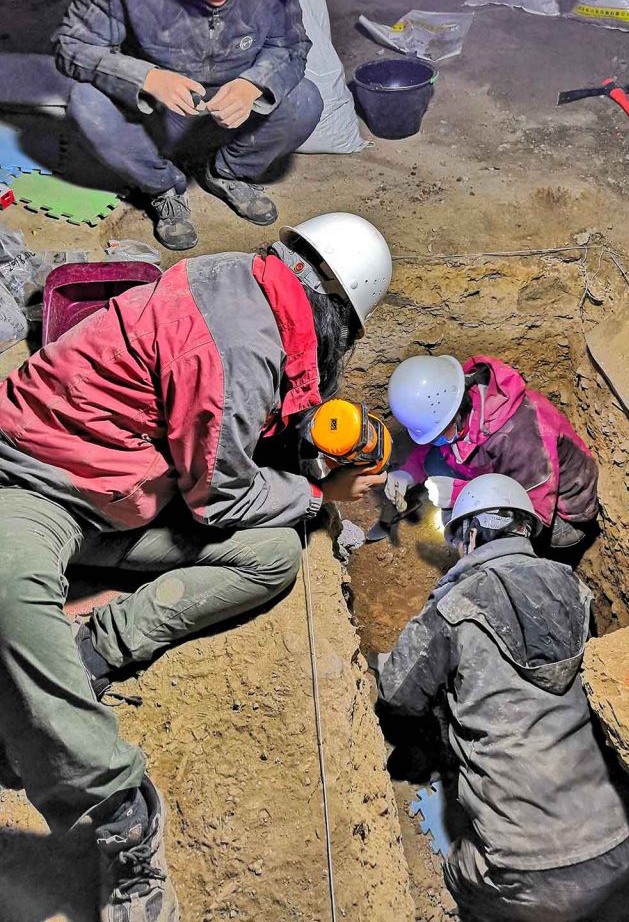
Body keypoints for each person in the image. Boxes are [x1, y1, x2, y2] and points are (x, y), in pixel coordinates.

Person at [0, 212, 391, 921]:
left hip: (130, 489)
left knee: (273, 555)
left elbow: (241, 417)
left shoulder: (255, 282)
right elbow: (221, 496)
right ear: (334, 309)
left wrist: (304, 431)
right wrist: (318, 493)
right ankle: (124, 811)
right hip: (41, 480)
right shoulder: (240, 341)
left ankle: (98, 646)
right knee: (10, 600)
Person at [374, 474, 629, 922]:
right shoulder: (577, 591)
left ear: (472, 532)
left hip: (522, 872)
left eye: (458, 537)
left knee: (456, 878)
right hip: (615, 849)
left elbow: (397, 692)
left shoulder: (454, 606)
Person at [54, 0, 324, 250]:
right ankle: (161, 186)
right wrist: (146, 78)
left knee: (305, 101)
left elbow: (291, 46)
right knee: (86, 106)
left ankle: (227, 171)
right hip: (161, 116)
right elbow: (71, 45)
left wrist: (253, 86)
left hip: (235, 116)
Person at [385, 354, 598, 548]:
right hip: (515, 475)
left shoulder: (520, 436)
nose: (437, 440)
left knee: (489, 539)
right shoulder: (458, 401)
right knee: (435, 462)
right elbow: (436, 439)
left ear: (457, 412)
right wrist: (408, 473)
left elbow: (532, 510)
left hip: (561, 511)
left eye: (439, 432)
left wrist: (460, 494)